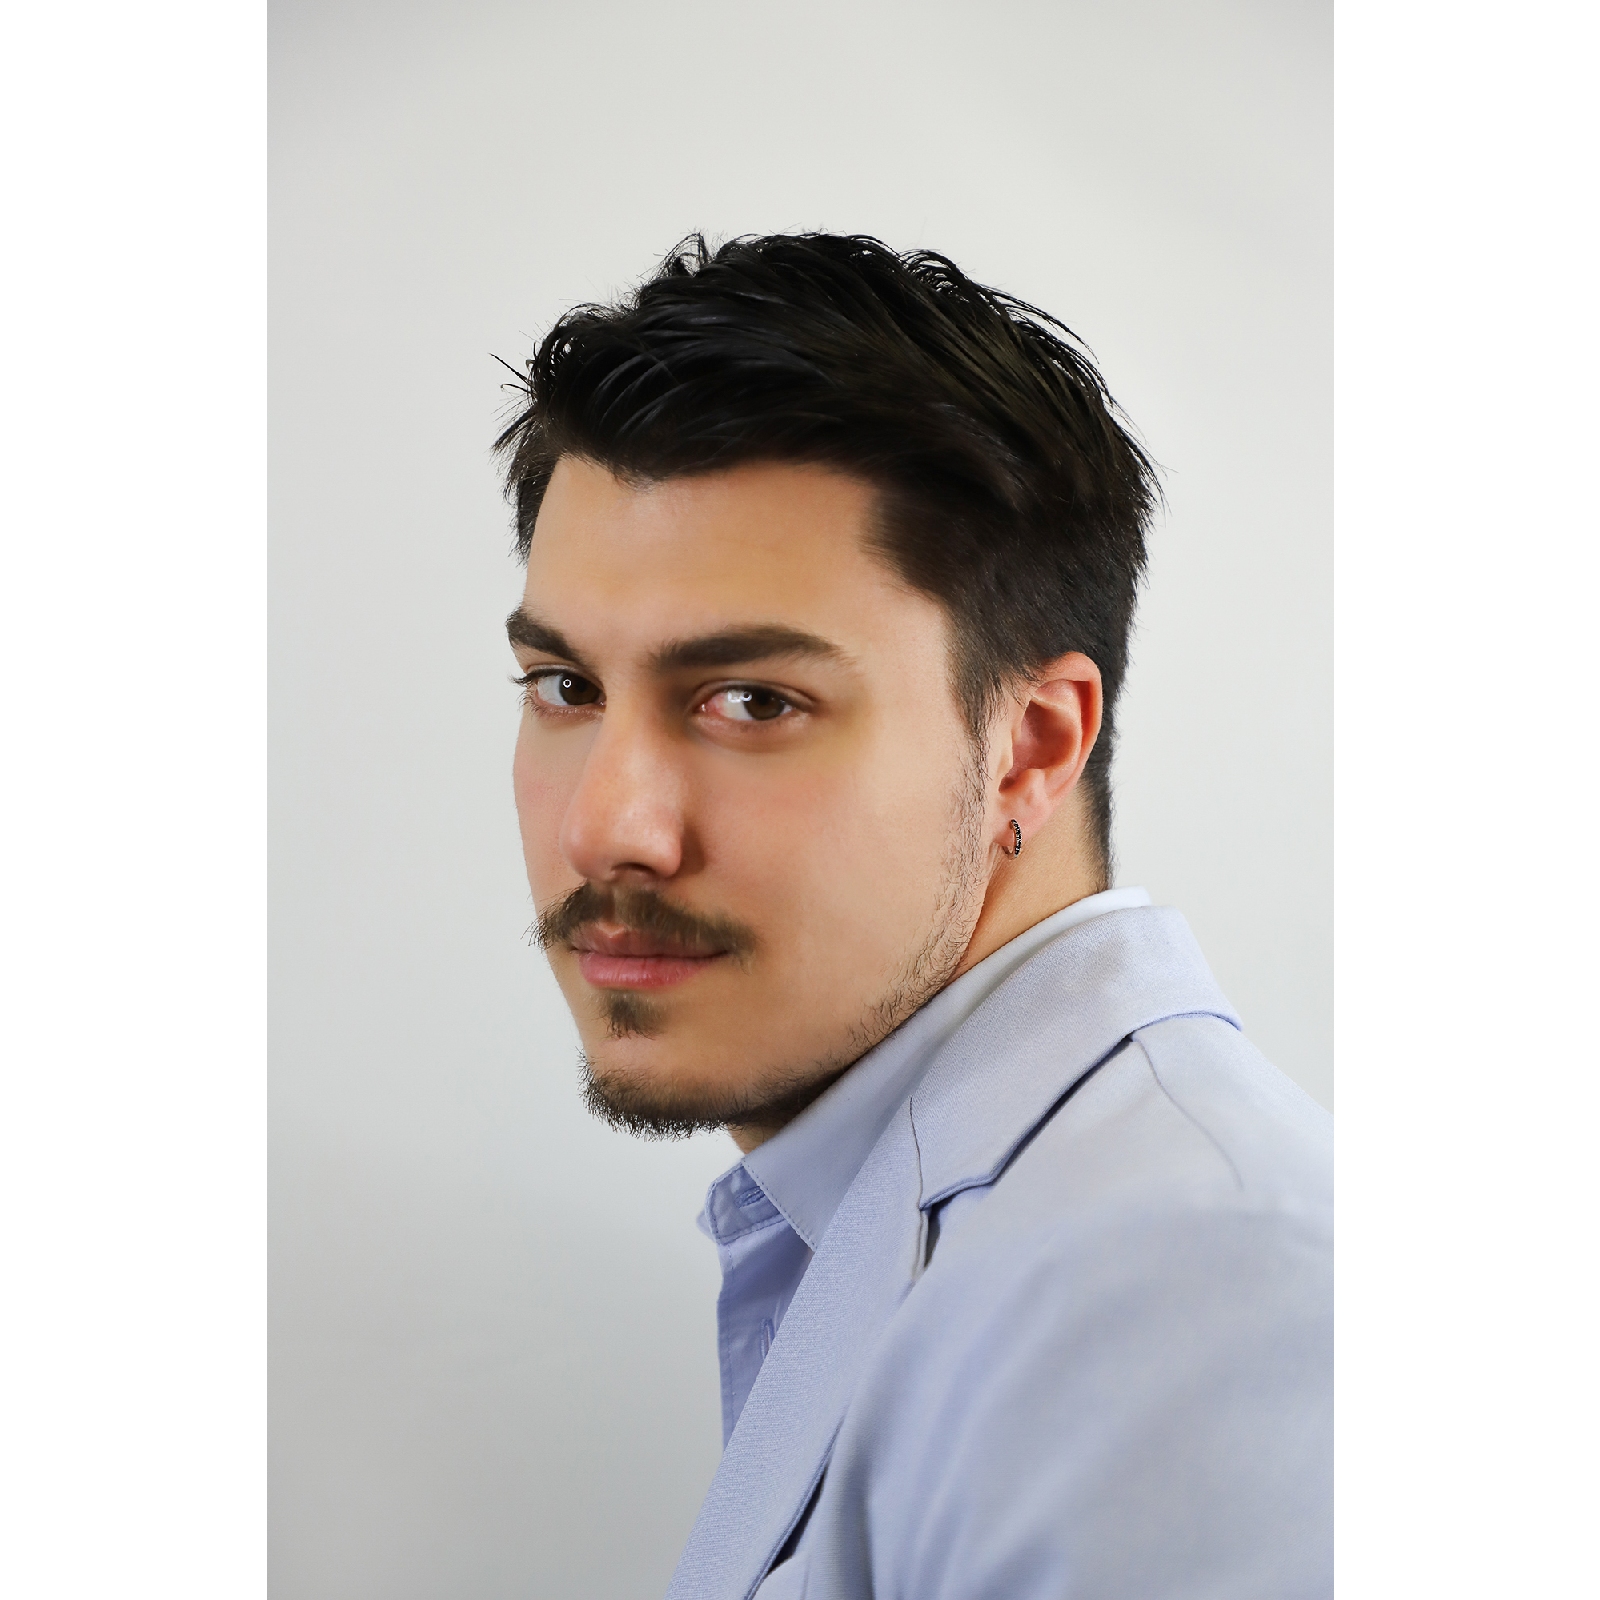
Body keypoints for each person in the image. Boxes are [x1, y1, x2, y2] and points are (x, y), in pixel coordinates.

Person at [495, 233, 1331, 1599]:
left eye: (752, 701)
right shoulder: (959, 1230)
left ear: (1031, 745)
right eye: (566, 689)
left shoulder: (1195, 1293)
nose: (608, 827)